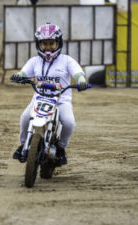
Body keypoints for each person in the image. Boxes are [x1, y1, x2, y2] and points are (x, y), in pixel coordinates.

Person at [10, 23, 88, 166]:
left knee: (69, 123)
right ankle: (23, 145)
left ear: (58, 43)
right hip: (39, 98)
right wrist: (18, 75)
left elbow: (77, 71)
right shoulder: (35, 61)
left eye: (51, 43)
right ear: (39, 44)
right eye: (44, 43)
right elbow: (24, 72)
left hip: (61, 101)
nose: (48, 47)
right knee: (25, 118)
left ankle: (61, 148)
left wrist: (81, 79)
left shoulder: (66, 60)